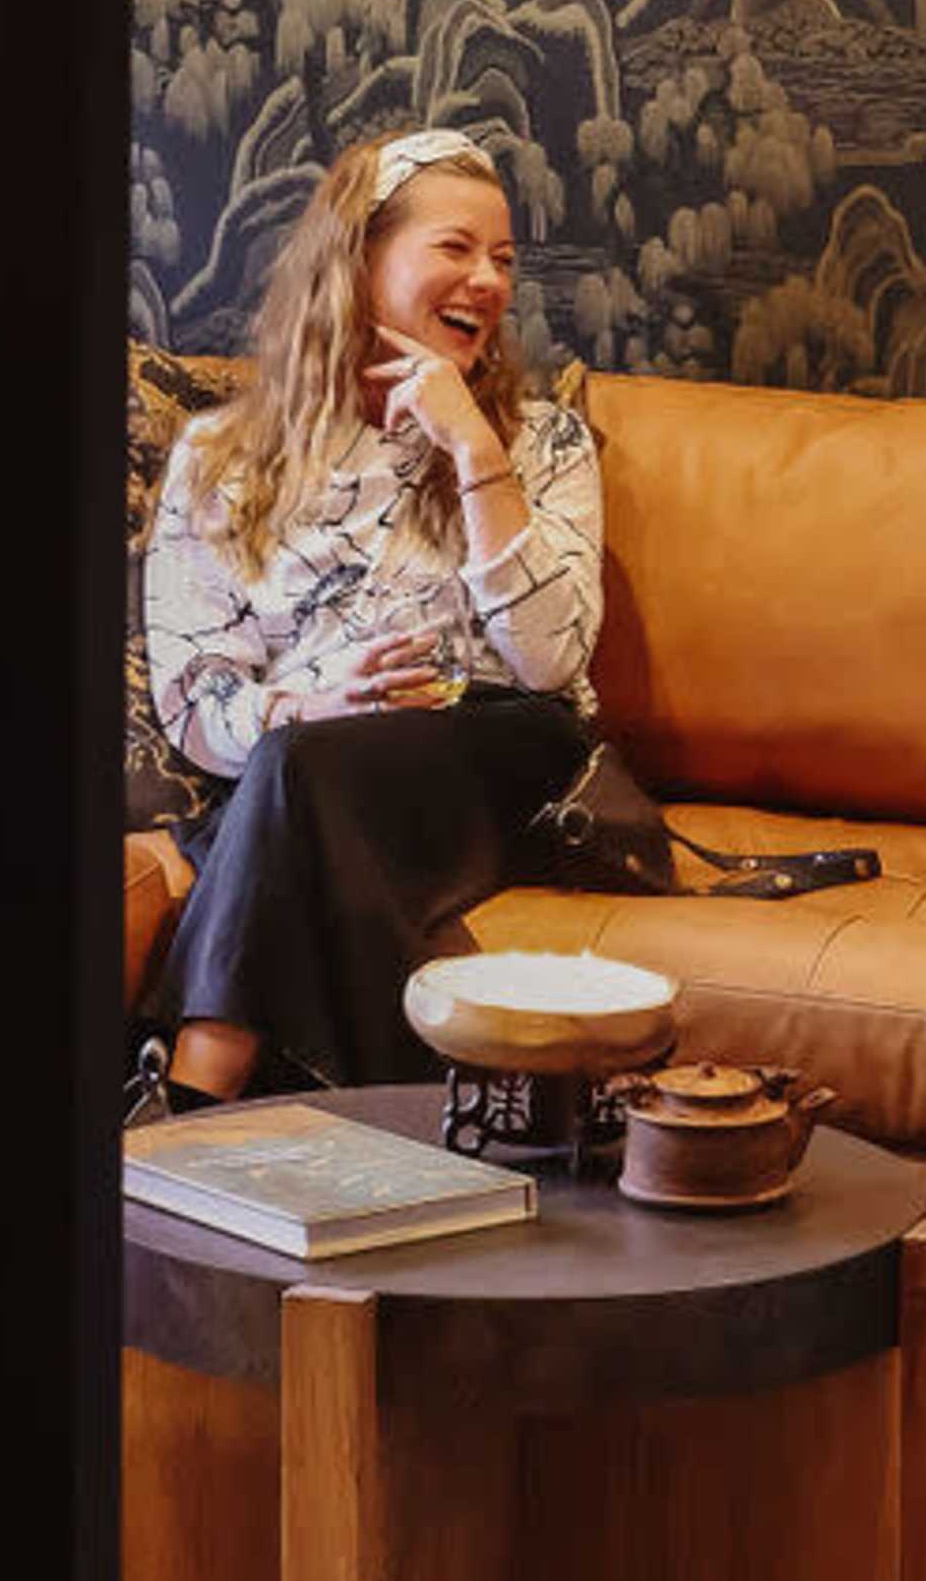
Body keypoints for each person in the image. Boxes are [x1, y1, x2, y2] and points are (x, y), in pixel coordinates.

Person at [137, 125, 603, 1105]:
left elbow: (551, 660)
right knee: (296, 773)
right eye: (456, 247)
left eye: (504, 259)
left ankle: (189, 1095)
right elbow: (195, 702)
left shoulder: (546, 439)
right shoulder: (223, 458)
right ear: (358, 259)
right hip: (303, 770)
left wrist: (474, 447)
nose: (489, 279)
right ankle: (397, 1135)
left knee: (284, 785)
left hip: (497, 757)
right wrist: (312, 706)